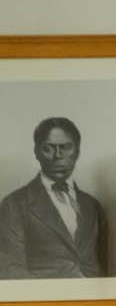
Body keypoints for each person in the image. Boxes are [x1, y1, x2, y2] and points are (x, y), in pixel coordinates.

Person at [0, 117, 110, 279]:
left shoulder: (93, 205)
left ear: (77, 152)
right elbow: (11, 270)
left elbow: (109, 265)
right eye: (48, 148)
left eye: (66, 147)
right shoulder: (14, 204)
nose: (58, 155)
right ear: (37, 152)